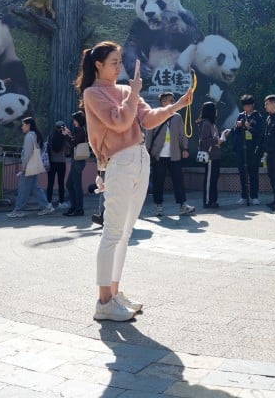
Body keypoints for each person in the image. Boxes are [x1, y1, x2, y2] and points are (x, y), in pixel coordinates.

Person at [76, 41, 192, 322]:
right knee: (113, 233)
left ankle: (114, 294)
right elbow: (119, 121)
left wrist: (177, 105)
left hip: (140, 159)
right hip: (119, 163)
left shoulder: (127, 90)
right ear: (98, 65)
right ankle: (104, 301)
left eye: (120, 61)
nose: (119, 66)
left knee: (125, 234)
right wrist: (134, 93)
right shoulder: (93, 94)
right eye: (113, 62)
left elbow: (148, 119)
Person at [145, 92, 194, 217]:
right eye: (170, 100)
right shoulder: (155, 115)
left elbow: (182, 134)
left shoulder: (177, 117)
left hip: (174, 155)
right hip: (158, 155)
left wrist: (185, 148)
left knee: (178, 181)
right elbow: (149, 134)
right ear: (163, 102)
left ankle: (183, 205)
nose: (173, 102)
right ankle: (159, 207)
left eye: (174, 100)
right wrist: (147, 150)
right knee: (158, 182)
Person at [7, 117, 52, 217]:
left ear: (28, 125)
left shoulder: (28, 137)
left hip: (29, 166)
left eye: (23, 124)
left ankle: (18, 210)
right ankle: (46, 206)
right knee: (35, 188)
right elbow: (41, 150)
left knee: (23, 188)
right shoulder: (36, 135)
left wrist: (24, 166)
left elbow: (27, 154)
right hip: (34, 165)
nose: (22, 126)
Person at [232, 94, 263, 206]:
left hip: (252, 149)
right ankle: (244, 196)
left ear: (253, 105)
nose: (246, 108)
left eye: (248, 106)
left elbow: (259, 133)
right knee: (242, 173)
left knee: (253, 172)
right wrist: (238, 126)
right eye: (244, 106)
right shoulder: (240, 116)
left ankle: (254, 196)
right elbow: (235, 132)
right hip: (241, 149)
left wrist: (249, 127)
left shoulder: (257, 116)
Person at [196, 101, 223, 209]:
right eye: (215, 109)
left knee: (214, 179)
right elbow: (203, 141)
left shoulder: (212, 124)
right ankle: (207, 201)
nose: (216, 111)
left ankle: (213, 200)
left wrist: (220, 139)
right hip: (210, 156)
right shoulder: (206, 123)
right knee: (209, 180)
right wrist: (217, 140)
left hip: (215, 155)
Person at [65, 111, 88, 216]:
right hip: (77, 160)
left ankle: (78, 208)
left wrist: (66, 136)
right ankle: (74, 207)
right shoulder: (80, 130)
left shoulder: (80, 130)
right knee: (70, 184)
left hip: (78, 161)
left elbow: (72, 143)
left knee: (76, 185)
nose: (73, 121)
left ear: (78, 120)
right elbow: (75, 141)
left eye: (74, 120)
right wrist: (69, 134)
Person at [46, 121, 71, 210]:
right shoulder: (63, 138)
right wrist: (67, 135)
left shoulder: (51, 136)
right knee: (61, 183)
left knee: (50, 183)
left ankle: (48, 203)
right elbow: (67, 151)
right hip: (61, 163)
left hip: (51, 162)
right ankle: (61, 202)